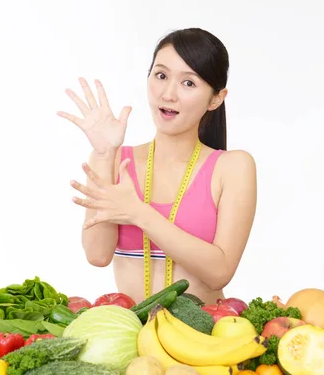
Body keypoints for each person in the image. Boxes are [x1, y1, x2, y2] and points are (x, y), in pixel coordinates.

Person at [56, 27, 257, 305]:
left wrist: (139, 213)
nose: (168, 94)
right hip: (132, 336)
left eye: (189, 83)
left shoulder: (232, 167)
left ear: (216, 98)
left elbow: (219, 272)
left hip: (207, 335)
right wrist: (104, 153)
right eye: (161, 76)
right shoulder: (116, 159)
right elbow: (97, 255)